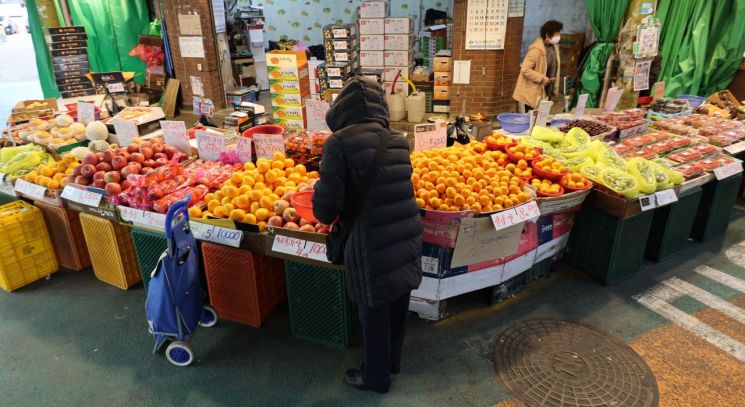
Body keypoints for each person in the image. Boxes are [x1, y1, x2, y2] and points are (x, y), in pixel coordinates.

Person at [312, 77, 423, 394]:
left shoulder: (339, 143)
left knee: (373, 309)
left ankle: (376, 378)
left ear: (342, 108)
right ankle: (392, 362)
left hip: (372, 241)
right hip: (407, 233)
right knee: (398, 299)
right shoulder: (398, 139)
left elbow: (325, 209)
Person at [513, 20, 563, 111]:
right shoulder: (536, 50)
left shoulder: (554, 47)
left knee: (542, 118)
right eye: (556, 34)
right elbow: (525, 69)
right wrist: (542, 78)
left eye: (559, 33)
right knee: (532, 119)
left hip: (547, 90)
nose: (559, 36)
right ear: (547, 35)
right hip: (532, 92)